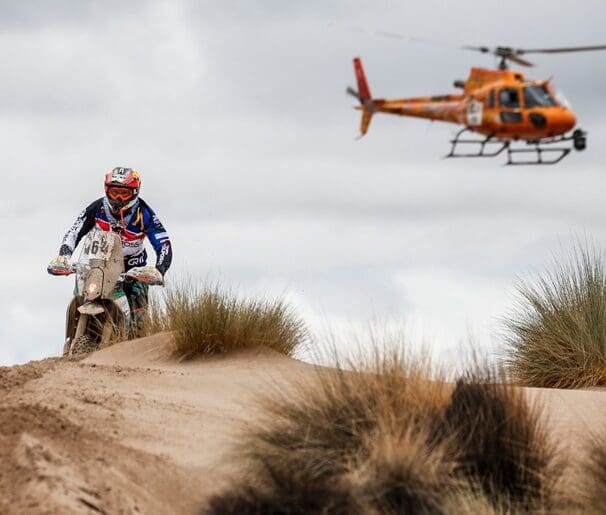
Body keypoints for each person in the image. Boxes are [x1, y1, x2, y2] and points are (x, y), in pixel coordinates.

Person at [48, 167, 172, 329]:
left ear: (135, 193)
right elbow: (74, 232)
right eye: (114, 193)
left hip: (133, 271)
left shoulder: (144, 213)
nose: (119, 198)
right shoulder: (98, 208)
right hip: (98, 267)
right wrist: (64, 255)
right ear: (107, 190)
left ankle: (135, 345)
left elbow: (164, 243)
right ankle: (71, 341)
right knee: (80, 296)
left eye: (124, 194)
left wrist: (159, 270)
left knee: (140, 320)